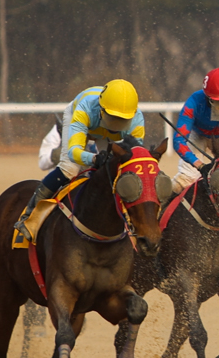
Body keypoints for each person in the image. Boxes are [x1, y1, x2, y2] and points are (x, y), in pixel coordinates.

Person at [17, 79, 148, 244]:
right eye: (112, 118)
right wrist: (94, 158)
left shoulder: (137, 120)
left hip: (103, 130)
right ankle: (29, 216)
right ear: (101, 109)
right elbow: (74, 152)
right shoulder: (85, 108)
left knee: (115, 171)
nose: (115, 126)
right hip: (82, 118)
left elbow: (133, 161)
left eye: (122, 121)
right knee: (69, 168)